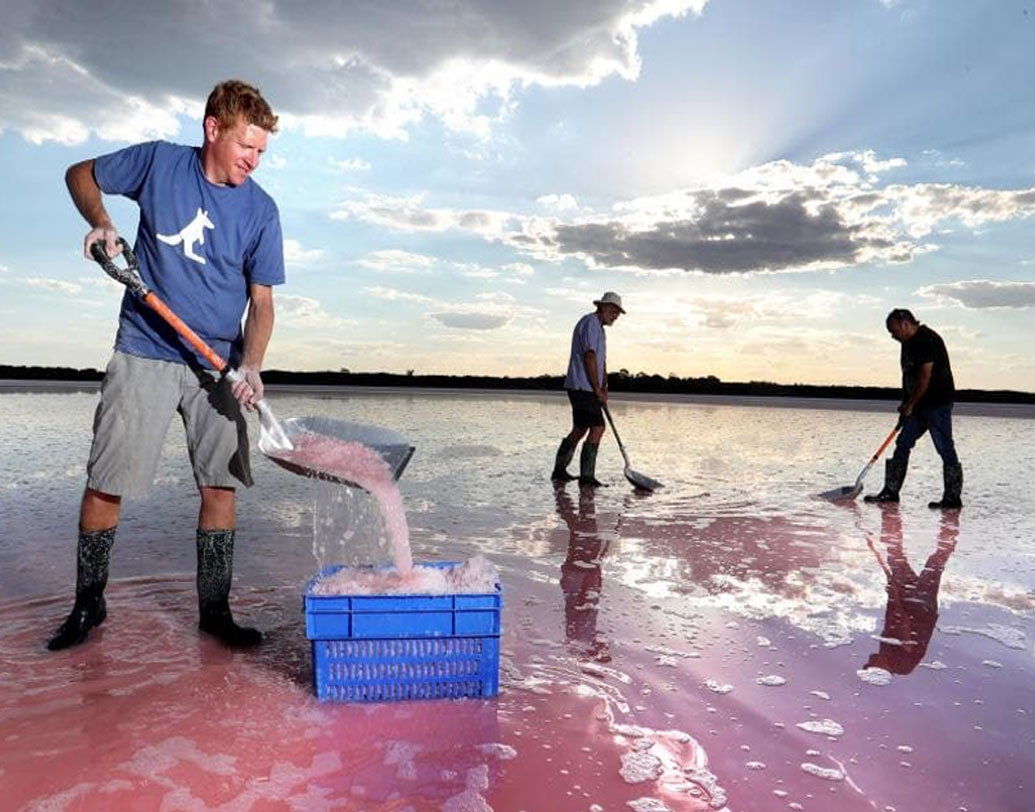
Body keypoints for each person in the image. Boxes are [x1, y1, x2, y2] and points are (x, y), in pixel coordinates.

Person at [47, 80, 285, 651]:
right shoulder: (158, 163)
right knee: (107, 482)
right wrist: (103, 221)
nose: (253, 161)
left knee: (220, 487)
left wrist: (251, 365)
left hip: (219, 365)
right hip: (144, 348)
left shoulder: (261, 210)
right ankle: (89, 603)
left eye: (261, 152)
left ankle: (214, 613)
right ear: (213, 130)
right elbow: (80, 173)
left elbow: (263, 302)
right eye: (246, 147)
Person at [864, 309, 963, 509]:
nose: (892, 336)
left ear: (906, 324)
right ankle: (890, 492)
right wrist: (906, 403)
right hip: (917, 405)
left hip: (937, 403)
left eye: (893, 331)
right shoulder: (907, 343)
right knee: (903, 443)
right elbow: (908, 376)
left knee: (945, 448)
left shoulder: (927, 340)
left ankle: (952, 499)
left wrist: (911, 404)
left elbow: (924, 377)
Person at [864, 504, 958, 676]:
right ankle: (951, 526)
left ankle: (890, 518)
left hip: (907, 600)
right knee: (935, 562)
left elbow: (890, 621)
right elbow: (904, 626)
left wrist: (892, 594)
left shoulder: (886, 654)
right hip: (922, 607)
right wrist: (894, 596)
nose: (871, 658)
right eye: (871, 662)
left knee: (895, 557)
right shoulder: (901, 665)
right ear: (880, 669)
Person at [551, 292, 624, 487]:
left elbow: (601, 361)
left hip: (586, 387)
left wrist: (604, 387)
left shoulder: (599, 328)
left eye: (618, 312)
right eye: (614, 311)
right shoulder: (591, 323)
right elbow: (590, 357)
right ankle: (586, 478)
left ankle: (559, 471)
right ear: (603, 307)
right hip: (583, 386)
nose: (616, 316)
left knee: (580, 428)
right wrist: (596, 389)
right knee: (598, 428)